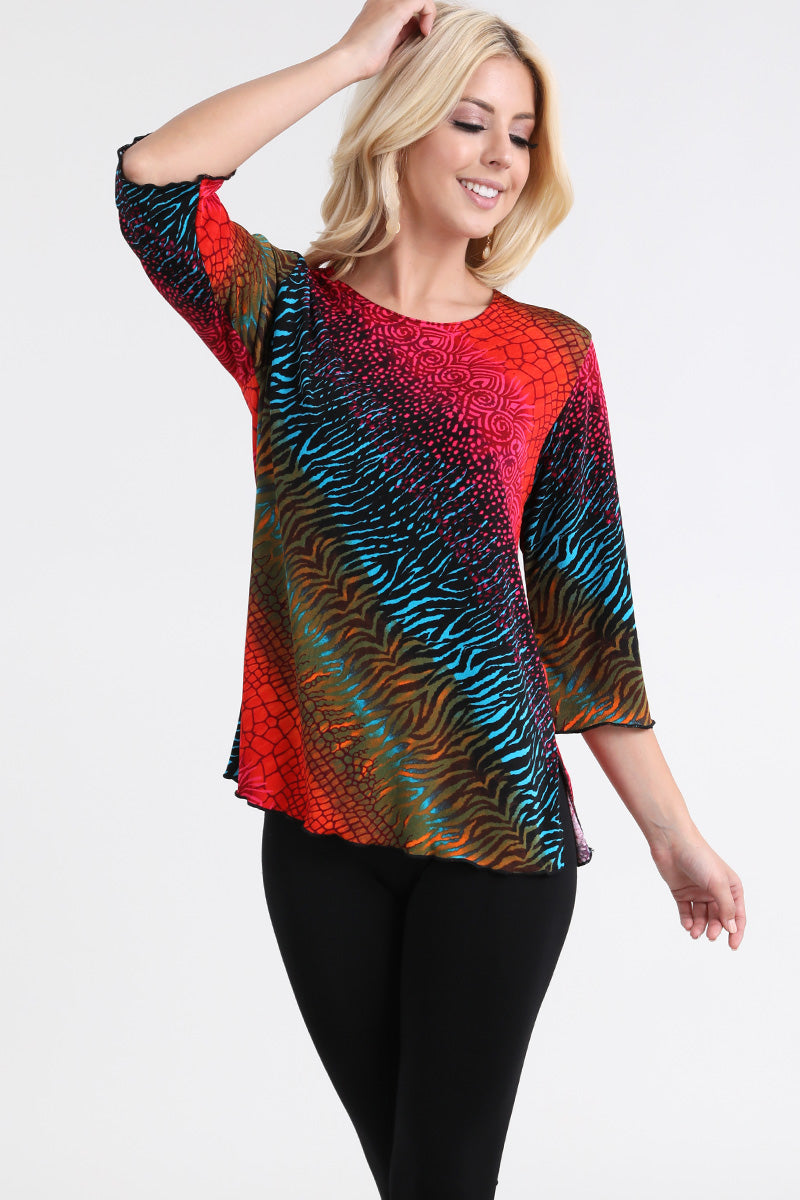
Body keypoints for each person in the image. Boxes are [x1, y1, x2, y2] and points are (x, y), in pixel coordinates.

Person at [114, 2, 747, 1196]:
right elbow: (153, 182)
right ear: (402, 127)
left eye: (520, 133)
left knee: (442, 1176)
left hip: (497, 829)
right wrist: (350, 57)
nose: (500, 156)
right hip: (319, 825)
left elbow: (581, 626)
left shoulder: (546, 355)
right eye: (469, 121)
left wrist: (673, 837)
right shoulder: (286, 315)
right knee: (410, 1178)